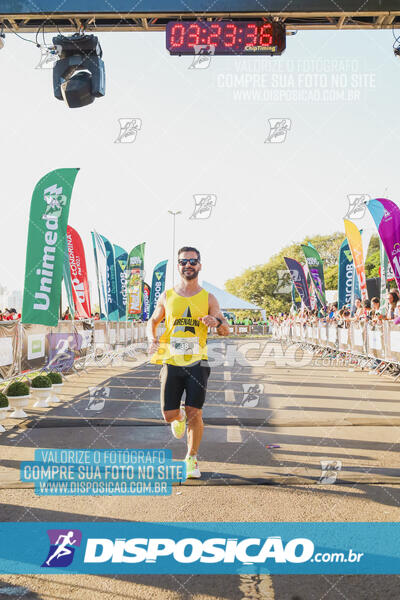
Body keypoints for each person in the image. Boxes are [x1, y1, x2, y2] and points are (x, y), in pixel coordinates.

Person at [147, 246, 229, 479]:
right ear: (179, 266)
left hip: (197, 363)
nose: (188, 265)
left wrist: (215, 321)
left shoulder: (209, 298)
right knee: (169, 414)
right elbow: (152, 322)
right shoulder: (168, 296)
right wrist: (151, 339)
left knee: (196, 412)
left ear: (200, 265)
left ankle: (191, 458)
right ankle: (179, 418)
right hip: (171, 361)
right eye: (184, 262)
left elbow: (225, 330)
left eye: (193, 261)